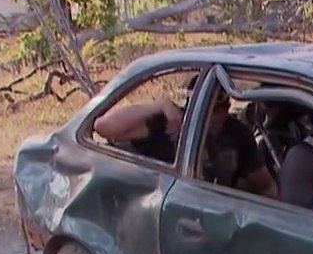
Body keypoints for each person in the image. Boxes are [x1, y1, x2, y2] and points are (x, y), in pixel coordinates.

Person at [93, 75, 276, 199]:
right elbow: (104, 127)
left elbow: (265, 186)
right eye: (199, 110)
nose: (208, 118)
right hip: (165, 205)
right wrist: (161, 106)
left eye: (216, 111)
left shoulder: (237, 133)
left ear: (226, 109)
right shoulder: (168, 123)